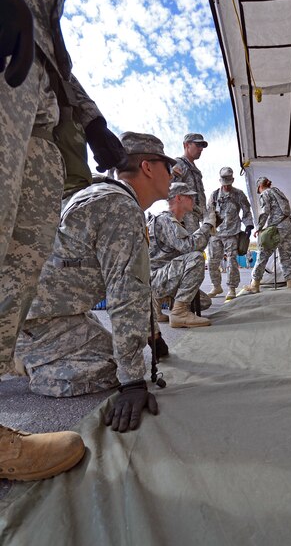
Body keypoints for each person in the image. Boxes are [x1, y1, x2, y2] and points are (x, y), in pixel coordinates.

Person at [0, 0, 125, 481]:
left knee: (15, 268)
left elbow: (52, 41)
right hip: (5, 62)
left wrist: (91, 120)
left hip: (46, 106)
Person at [14, 132, 174, 436]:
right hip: (36, 319)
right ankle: (29, 360)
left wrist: (152, 332)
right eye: (167, 166)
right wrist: (132, 381)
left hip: (51, 308)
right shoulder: (120, 207)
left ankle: (30, 348)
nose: (172, 174)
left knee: (122, 345)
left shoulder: (105, 195)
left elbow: (136, 279)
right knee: (112, 365)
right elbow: (125, 293)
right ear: (147, 167)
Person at [148, 182, 218, 328]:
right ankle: (179, 313)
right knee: (197, 258)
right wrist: (206, 225)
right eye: (189, 197)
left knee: (204, 302)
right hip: (156, 279)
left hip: (162, 276)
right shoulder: (165, 220)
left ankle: (157, 305)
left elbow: (192, 245)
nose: (193, 200)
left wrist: (208, 227)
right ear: (179, 198)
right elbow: (190, 247)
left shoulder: (175, 222)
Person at [207, 167, 254, 301]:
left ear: (232, 180)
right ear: (220, 181)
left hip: (232, 232)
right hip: (216, 233)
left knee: (232, 261)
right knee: (212, 262)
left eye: (228, 183)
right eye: (224, 184)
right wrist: (207, 228)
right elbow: (209, 213)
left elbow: (246, 210)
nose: (226, 186)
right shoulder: (215, 195)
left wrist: (249, 225)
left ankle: (232, 288)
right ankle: (216, 286)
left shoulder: (239, 194)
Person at [243, 176, 291, 293]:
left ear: (260, 186)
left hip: (276, 228)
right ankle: (290, 285)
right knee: (285, 257)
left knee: (262, 254)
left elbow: (265, 212)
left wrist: (259, 228)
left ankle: (254, 285)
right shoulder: (278, 192)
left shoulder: (265, 193)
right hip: (287, 226)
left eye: (258, 190)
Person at [171, 133, 208, 233]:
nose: (201, 149)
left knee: (196, 248)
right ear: (186, 145)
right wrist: (179, 220)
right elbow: (171, 192)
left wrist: (205, 216)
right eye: (198, 145)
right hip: (185, 219)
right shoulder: (179, 164)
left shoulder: (195, 170)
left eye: (202, 146)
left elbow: (200, 196)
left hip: (195, 219)